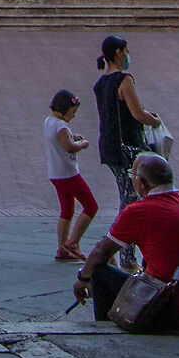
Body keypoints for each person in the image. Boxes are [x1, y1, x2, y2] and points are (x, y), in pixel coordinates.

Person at [72, 153, 179, 331]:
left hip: (172, 310)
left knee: (99, 272)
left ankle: (106, 332)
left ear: (141, 183)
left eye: (132, 175)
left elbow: (101, 252)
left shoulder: (140, 211)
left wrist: (83, 278)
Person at [93, 35, 162, 210]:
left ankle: (128, 233)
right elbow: (138, 114)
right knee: (131, 200)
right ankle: (121, 234)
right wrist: (154, 121)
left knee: (127, 193)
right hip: (127, 147)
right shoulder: (123, 80)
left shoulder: (101, 83)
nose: (128, 55)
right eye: (126, 51)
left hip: (109, 146)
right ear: (119, 53)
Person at [45, 89, 98, 261]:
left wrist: (71, 136)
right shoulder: (61, 126)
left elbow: (60, 140)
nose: (74, 116)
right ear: (64, 109)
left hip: (55, 174)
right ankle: (72, 243)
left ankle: (62, 248)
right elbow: (68, 147)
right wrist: (82, 143)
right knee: (91, 206)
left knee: (67, 210)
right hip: (69, 174)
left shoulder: (49, 121)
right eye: (73, 112)